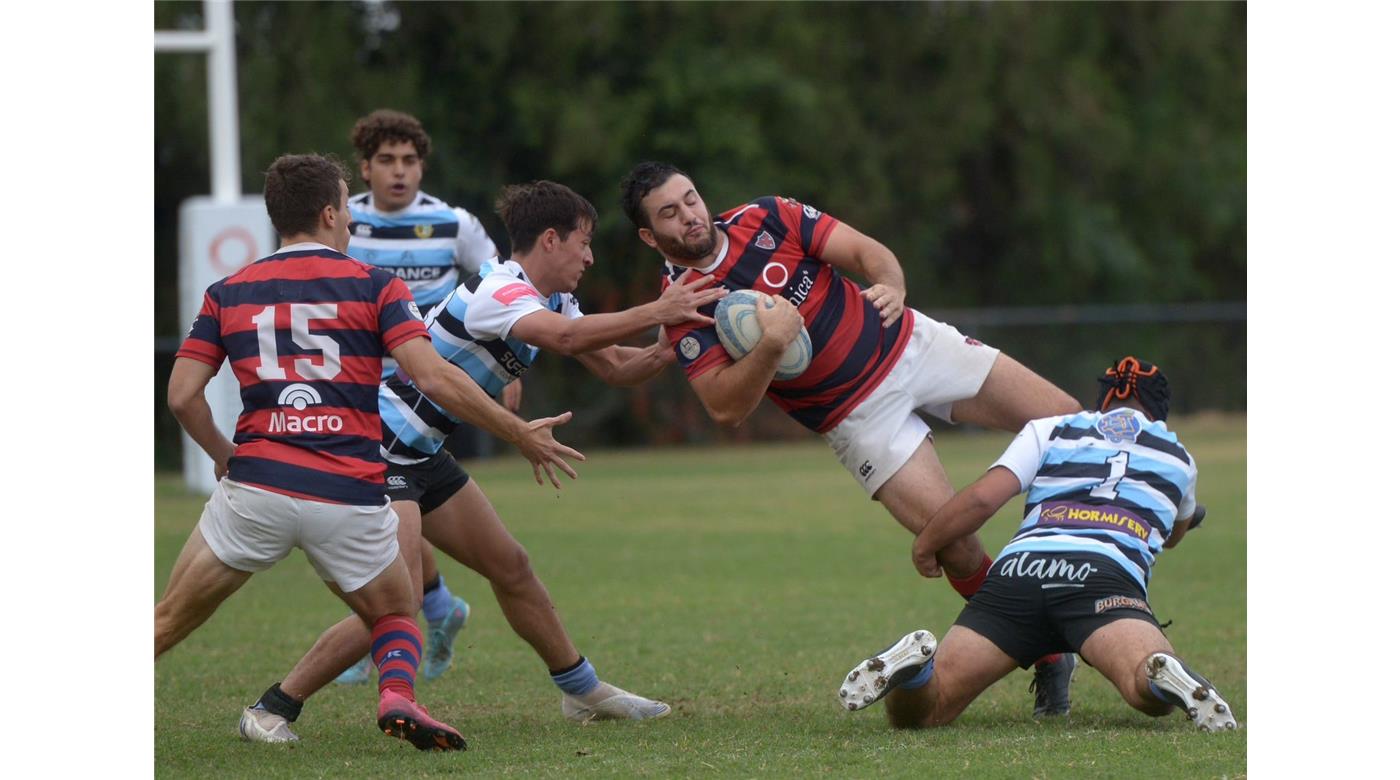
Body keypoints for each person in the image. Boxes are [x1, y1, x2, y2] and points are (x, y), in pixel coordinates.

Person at [238, 180, 725, 742]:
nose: (590, 256)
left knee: (511, 566)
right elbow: (565, 340)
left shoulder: (557, 300)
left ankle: (582, 691)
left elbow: (616, 366)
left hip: (422, 454)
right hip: (379, 451)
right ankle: (271, 708)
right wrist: (659, 307)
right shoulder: (500, 289)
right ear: (550, 240)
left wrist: (669, 345)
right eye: (583, 243)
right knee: (399, 600)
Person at [620, 161, 1083, 714]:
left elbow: (867, 253)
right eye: (670, 213)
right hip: (858, 418)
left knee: (1069, 425)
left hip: (912, 345)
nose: (690, 215)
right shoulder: (683, 303)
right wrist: (771, 345)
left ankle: (1153, 513)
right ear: (650, 236)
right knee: (954, 544)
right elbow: (725, 408)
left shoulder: (769, 216)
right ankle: (1049, 655)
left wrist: (891, 284)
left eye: (690, 199)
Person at [156, 154, 584, 750]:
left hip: (257, 487)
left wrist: (224, 454)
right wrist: (516, 433)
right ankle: (398, 697)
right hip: (348, 489)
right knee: (395, 614)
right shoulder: (376, 286)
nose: (352, 221)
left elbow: (182, 398)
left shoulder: (227, 291)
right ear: (330, 212)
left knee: (167, 620)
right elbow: (433, 379)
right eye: (347, 208)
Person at [836, 358, 1237, 732]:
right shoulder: (1178, 457)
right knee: (1145, 690)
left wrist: (928, 542)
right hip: (1102, 580)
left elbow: (982, 500)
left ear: (1104, 403)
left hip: (1019, 574)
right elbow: (1174, 535)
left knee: (928, 709)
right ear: (1158, 412)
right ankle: (1159, 669)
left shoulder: (1053, 428)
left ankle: (917, 669)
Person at [340, 109, 506, 683]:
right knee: (382, 517)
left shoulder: (452, 222)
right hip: (355, 392)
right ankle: (433, 610)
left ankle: (388, 630)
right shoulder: (341, 224)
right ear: (364, 167)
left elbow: (504, 288)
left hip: (421, 395)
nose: (399, 171)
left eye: (409, 160)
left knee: (372, 518)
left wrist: (510, 371)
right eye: (386, 160)